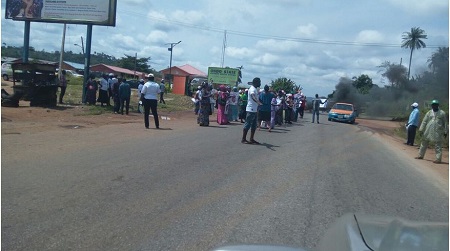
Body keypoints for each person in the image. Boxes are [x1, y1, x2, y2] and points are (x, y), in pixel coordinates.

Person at [241, 77, 263, 144]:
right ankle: (243, 139)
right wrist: (258, 102)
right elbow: (253, 96)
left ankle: (251, 139)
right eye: (259, 82)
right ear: (256, 82)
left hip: (254, 110)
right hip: (251, 110)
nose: (260, 83)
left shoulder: (255, 89)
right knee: (247, 124)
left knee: (254, 125)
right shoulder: (252, 89)